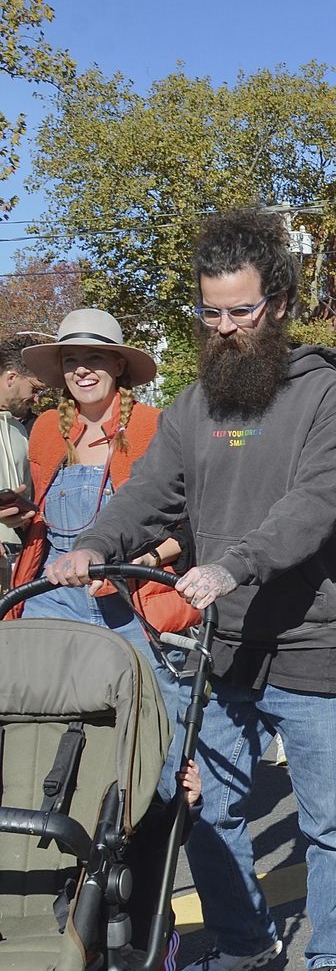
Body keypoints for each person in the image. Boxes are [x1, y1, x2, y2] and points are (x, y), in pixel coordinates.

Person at [46, 211, 336, 971]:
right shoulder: (193, 407)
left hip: (314, 637)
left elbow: (314, 506)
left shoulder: (327, 399)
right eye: (212, 313)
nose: (225, 328)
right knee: (204, 803)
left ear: (280, 306)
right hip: (223, 648)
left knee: (328, 819)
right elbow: (149, 494)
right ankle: (243, 937)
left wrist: (229, 563)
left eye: (241, 311)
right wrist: (91, 542)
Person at [2, 310, 193, 792]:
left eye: (95, 358)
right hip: (51, 593)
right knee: (37, 712)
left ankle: (159, 820)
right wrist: (24, 516)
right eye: (71, 360)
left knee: (157, 717)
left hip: (129, 598)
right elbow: (48, 514)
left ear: (120, 366)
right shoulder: (46, 428)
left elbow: (191, 525)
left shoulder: (155, 427)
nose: (82, 370)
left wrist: (150, 562)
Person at [0, 338, 42, 587]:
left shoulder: (19, 429)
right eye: (34, 388)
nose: (36, 399)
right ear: (11, 378)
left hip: (16, 560)